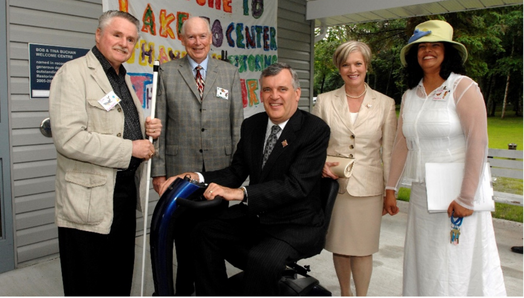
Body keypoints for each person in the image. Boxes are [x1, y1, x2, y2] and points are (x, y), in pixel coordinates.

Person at [159, 62, 331, 296]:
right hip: (257, 218)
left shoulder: (315, 130)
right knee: (202, 232)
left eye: (282, 89)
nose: (274, 96)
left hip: (296, 223)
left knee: (263, 261)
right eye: (267, 90)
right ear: (261, 94)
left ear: (297, 93)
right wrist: (195, 176)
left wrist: (242, 193)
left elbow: (296, 186)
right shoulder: (253, 125)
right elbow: (235, 172)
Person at [383, 20, 506, 296]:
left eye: (434, 45)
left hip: (457, 195)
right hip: (421, 194)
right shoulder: (410, 95)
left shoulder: (462, 87)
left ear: (447, 51)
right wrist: (391, 187)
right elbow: (402, 143)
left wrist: (466, 198)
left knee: (455, 264)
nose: (427, 50)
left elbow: (478, 141)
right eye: (421, 46)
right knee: (425, 263)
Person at [48, 10, 162, 296]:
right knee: (88, 281)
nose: (125, 43)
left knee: (118, 276)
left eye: (131, 39)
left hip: (122, 195)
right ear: (99, 35)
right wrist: (130, 147)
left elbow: (116, 124)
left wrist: (145, 130)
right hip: (88, 197)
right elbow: (69, 139)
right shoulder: (73, 74)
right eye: (117, 35)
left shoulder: (122, 77)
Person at [151, 16, 243, 295]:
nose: (198, 42)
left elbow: (236, 125)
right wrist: (159, 172)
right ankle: (183, 290)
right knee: (182, 236)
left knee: (211, 236)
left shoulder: (229, 73)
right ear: (182, 40)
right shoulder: (167, 73)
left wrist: (240, 171)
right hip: (180, 171)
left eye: (203, 36)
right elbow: (159, 126)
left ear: (212, 38)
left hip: (220, 170)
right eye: (191, 37)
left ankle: (210, 288)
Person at [312, 41, 397, 296]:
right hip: (335, 186)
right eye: (346, 64)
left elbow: (390, 152)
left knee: (362, 248)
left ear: (366, 66)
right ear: (339, 68)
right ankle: (345, 293)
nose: (352, 69)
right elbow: (313, 145)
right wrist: (321, 166)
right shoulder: (325, 102)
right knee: (340, 245)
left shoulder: (385, 104)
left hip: (368, 188)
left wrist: (390, 190)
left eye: (358, 63)